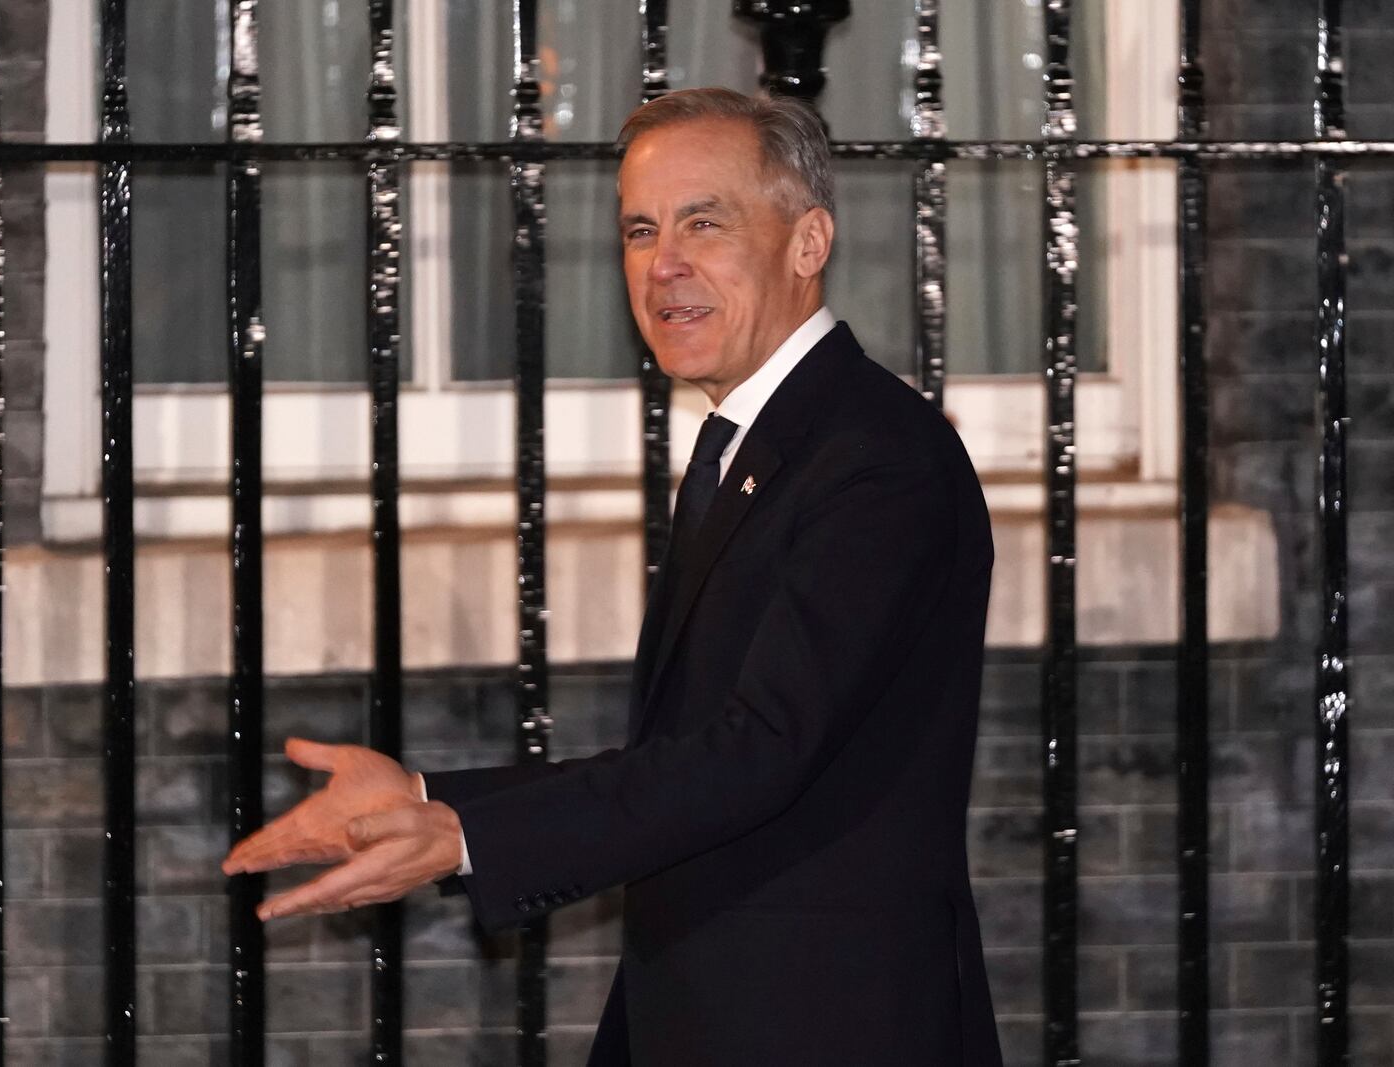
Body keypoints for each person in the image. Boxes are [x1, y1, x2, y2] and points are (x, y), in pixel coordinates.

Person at [223, 87, 1003, 1066]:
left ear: (808, 243)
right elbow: (685, 753)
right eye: (639, 229)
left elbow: (756, 750)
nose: (662, 263)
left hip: (821, 1024)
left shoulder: (875, 458)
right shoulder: (754, 444)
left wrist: (467, 834)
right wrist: (424, 793)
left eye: (703, 223)